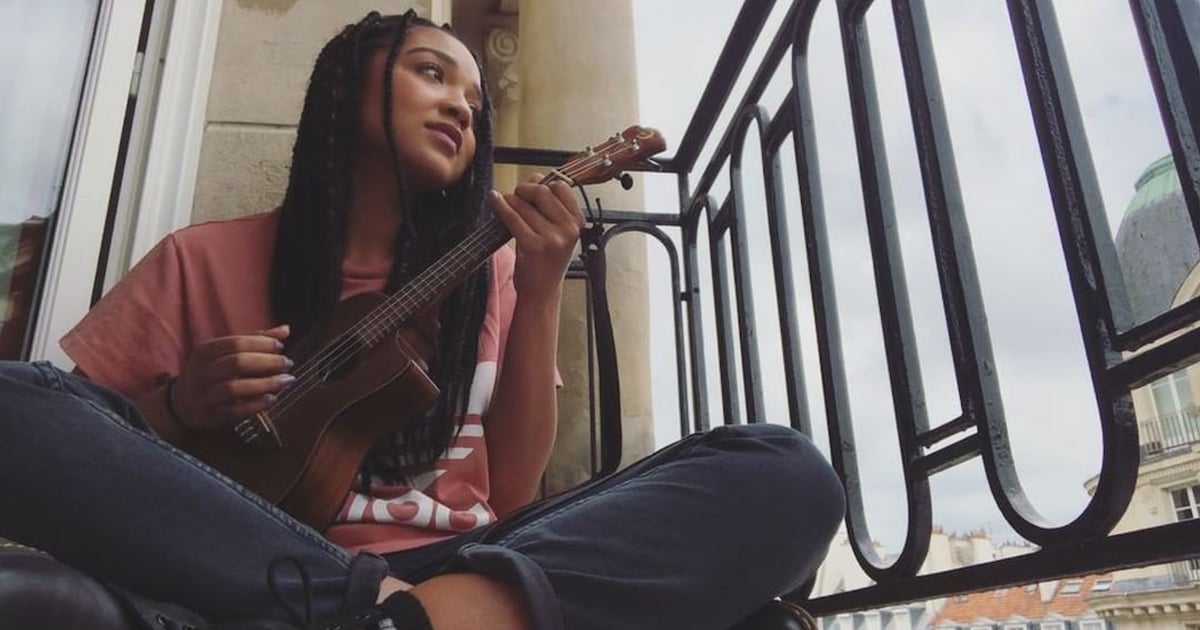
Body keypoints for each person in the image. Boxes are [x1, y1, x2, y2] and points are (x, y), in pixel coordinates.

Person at [0, 11, 845, 630]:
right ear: (346, 86)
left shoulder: (497, 273)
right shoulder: (200, 259)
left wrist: (541, 288)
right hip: (254, 565)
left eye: (476, 101)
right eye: (432, 74)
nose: (462, 108)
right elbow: (74, 443)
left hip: (462, 566)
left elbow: (512, 494)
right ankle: (388, 616)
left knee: (785, 469)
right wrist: (178, 407)